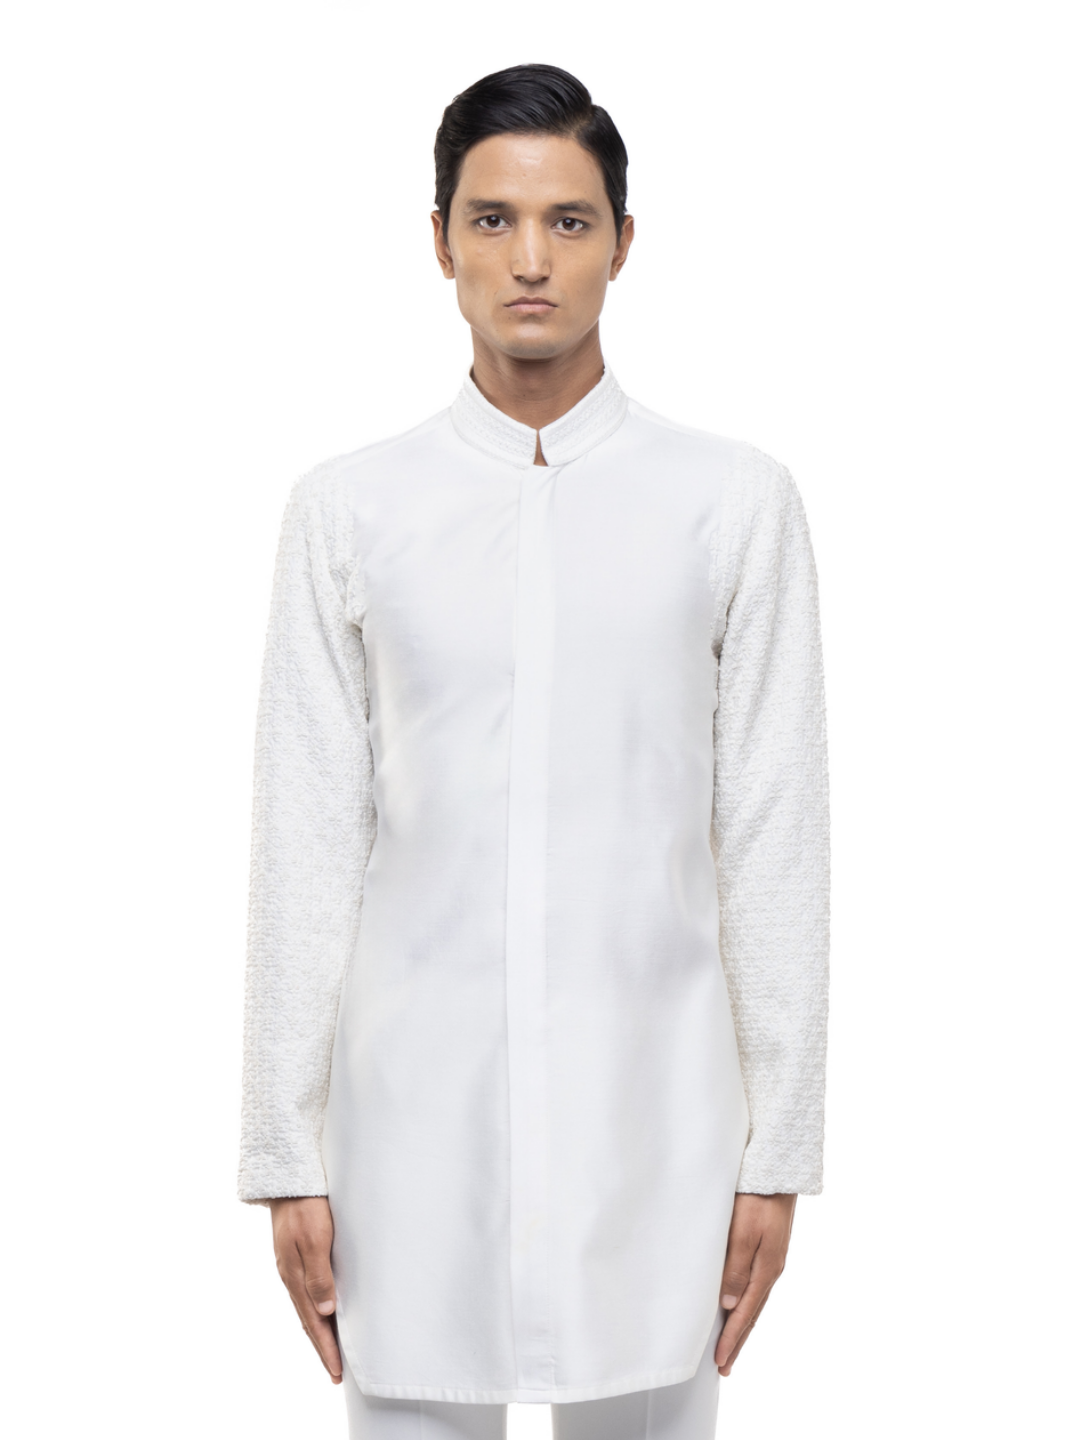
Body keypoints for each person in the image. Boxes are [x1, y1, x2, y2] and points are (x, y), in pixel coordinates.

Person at [239, 62, 830, 1440]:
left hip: (659, 1119)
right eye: (492, 219)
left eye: (569, 221)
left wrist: (779, 1153)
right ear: (439, 240)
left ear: (623, 243)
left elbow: (775, 835)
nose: (529, 260)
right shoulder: (350, 511)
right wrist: (284, 1151)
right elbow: (305, 840)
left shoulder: (732, 504)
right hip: (411, 1125)